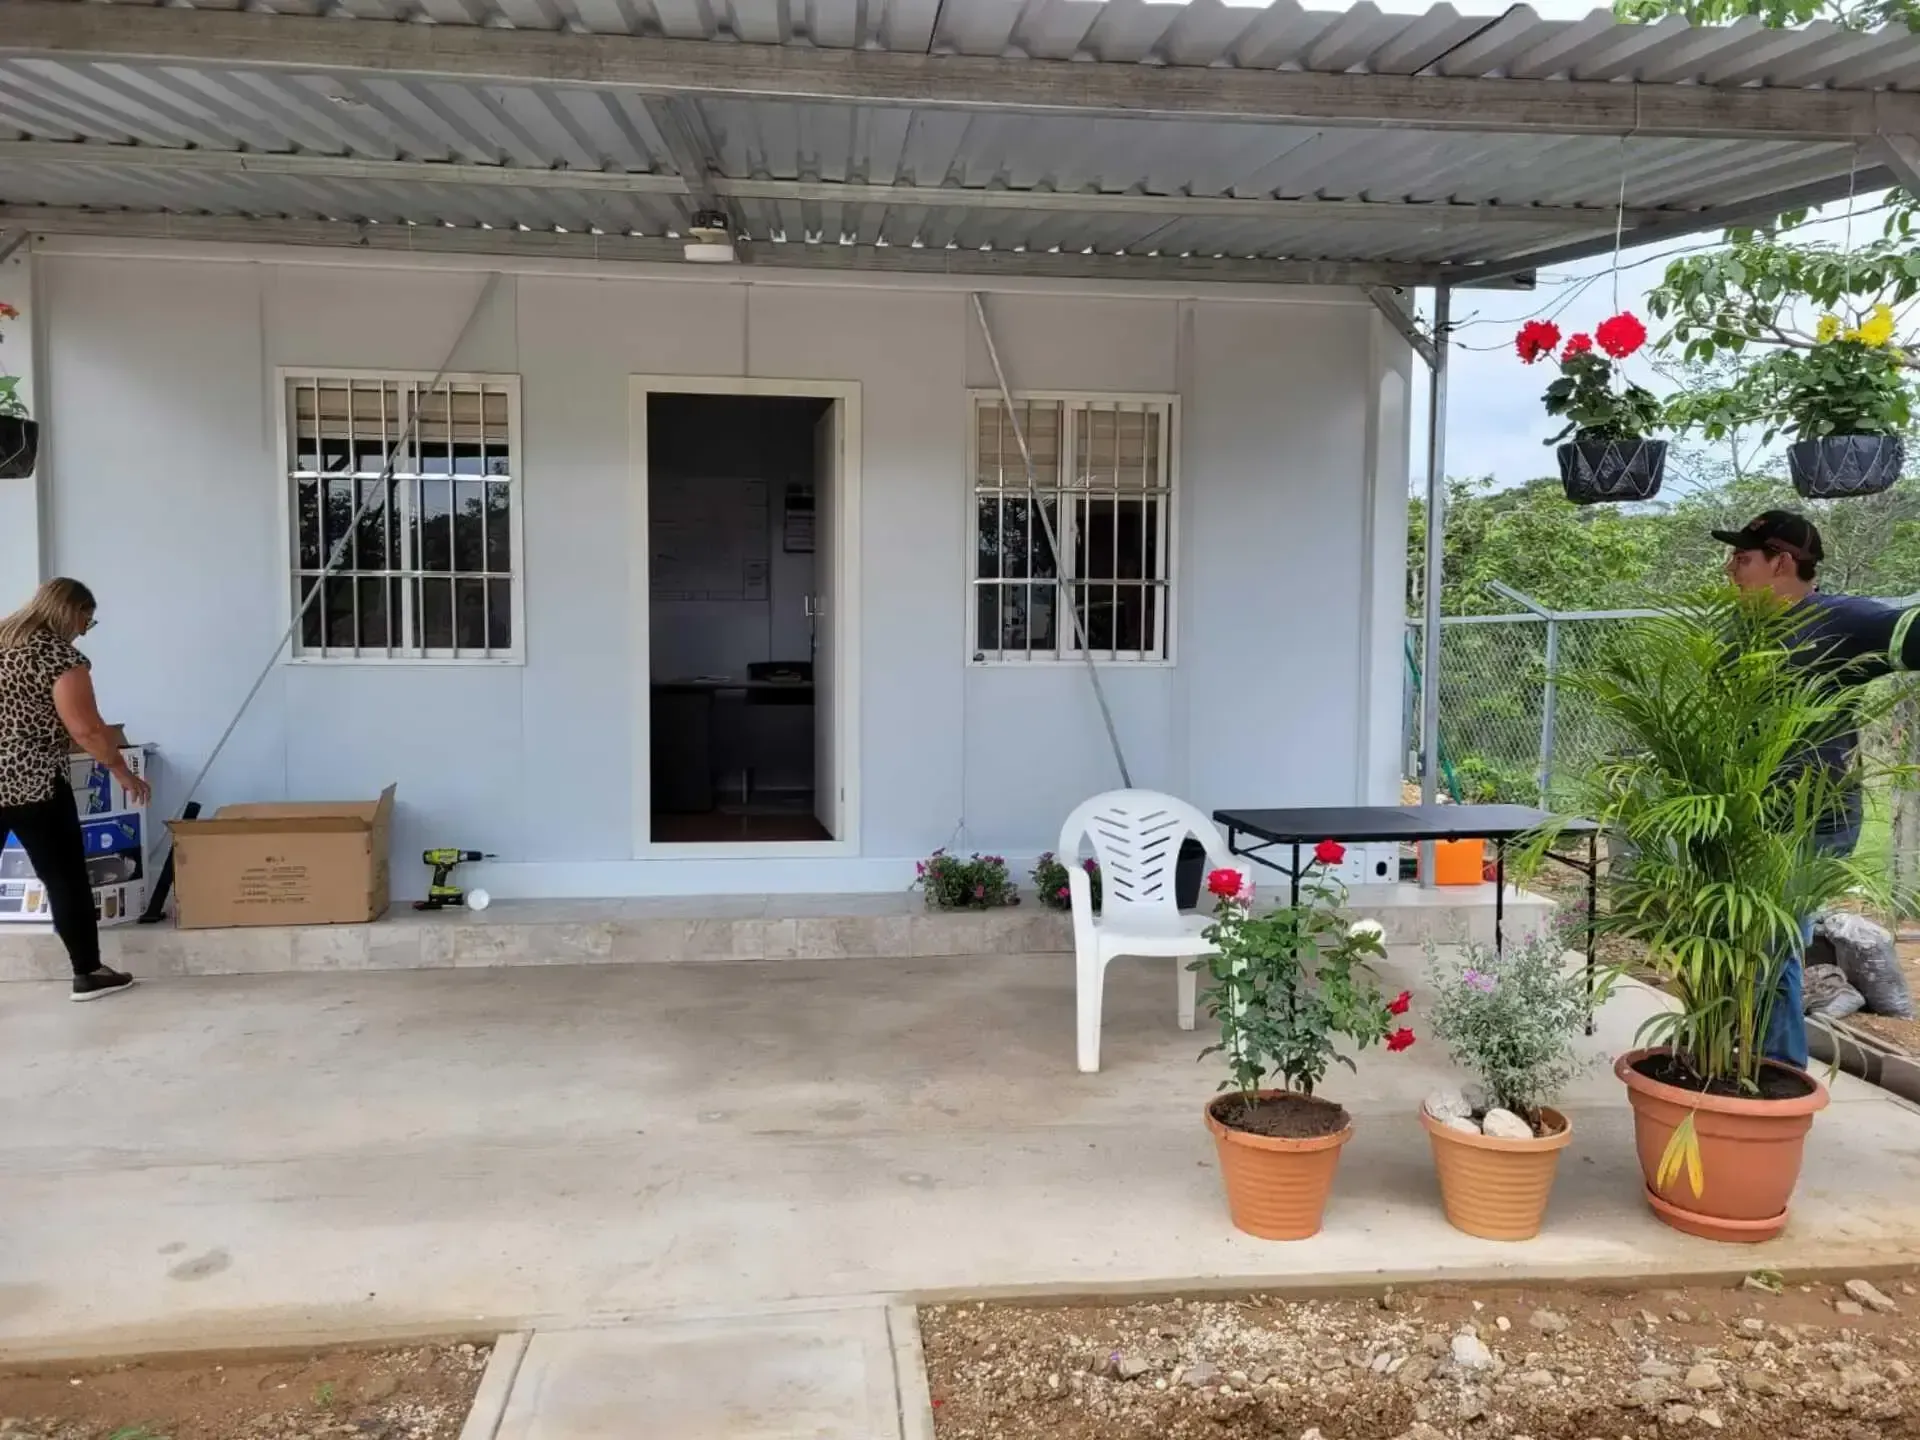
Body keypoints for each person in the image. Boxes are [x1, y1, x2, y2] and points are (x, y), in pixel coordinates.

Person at [1714, 510, 1920, 1068]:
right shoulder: (1743, 629)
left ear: (1782, 562)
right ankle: (1743, 1060)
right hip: (1748, 818)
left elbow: (1911, 633)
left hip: (1812, 823)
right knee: (1739, 940)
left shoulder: (1839, 620)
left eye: (1744, 557)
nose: (1731, 568)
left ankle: (1775, 1072)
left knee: (1771, 944)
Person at [0, 578, 150, 1000]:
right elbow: (85, 729)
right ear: (73, 610)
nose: (85, 629)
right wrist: (122, 771)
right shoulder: (58, 657)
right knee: (64, 877)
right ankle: (88, 972)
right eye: (88, 618)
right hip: (33, 783)